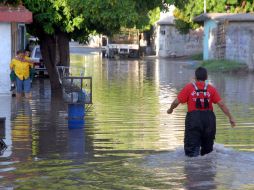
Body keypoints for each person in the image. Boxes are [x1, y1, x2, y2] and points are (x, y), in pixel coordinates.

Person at [167, 66, 236, 157]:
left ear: (195, 77)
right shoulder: (211, 89)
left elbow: (176, 101)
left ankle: (193, 170)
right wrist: (230, 117)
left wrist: (171, 109)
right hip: (209, 121)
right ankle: (207, 170)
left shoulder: (189, 88)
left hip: (193, 120)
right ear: (206, 77)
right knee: (208, 152)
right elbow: (222, 104)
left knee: (191, 152)